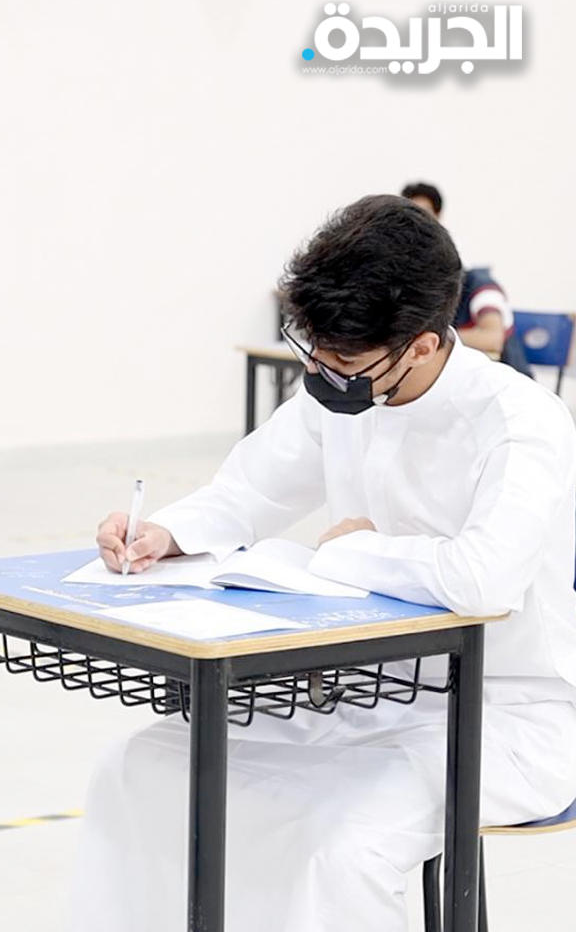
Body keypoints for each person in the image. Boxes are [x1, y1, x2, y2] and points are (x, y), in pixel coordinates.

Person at [78, 194, 576, 931]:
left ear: (422, 346)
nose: (322, 372)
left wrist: (349, 551)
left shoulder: (520, 422)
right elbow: (249, 489)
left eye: (342, 361)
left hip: (500, 715)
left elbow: (481, 579)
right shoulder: (342, 392)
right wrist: (164, 532)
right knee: (139, 769)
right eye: (315, 351)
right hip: (367, 691)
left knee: (344, 846)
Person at [401, 181, 532, 375]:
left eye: (424, 214)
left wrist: (428, 339)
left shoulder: (481, 285)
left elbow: (492, 338)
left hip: (503, 382)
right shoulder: (415, 288)